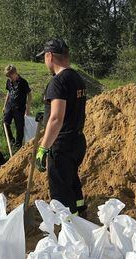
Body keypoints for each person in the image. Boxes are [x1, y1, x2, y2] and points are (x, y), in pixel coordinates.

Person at [34, 38, 88, 216]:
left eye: (44, 57)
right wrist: (47, 114)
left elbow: (57, 118)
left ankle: (69, 228)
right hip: (77, 140)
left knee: (60, 191)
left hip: (62, 144)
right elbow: (70, 108)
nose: (45, 61)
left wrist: (43, 148)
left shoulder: (57, 82)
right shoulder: (77, 78)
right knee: (72, 181)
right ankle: (81, 211)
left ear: (49, 56)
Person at [2, 64, 32, 149]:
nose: (9, 78)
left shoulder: (23, 82)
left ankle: (18, 144)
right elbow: (8, 92)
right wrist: (4, 106)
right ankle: (11, 140)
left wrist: (28, 108)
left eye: (10, 76)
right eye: (8, 77)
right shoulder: (8, 81)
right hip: (9, 106)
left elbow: (29, 95)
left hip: (19, 108)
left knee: (19, 127)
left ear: (15, 73)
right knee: (5, 123)